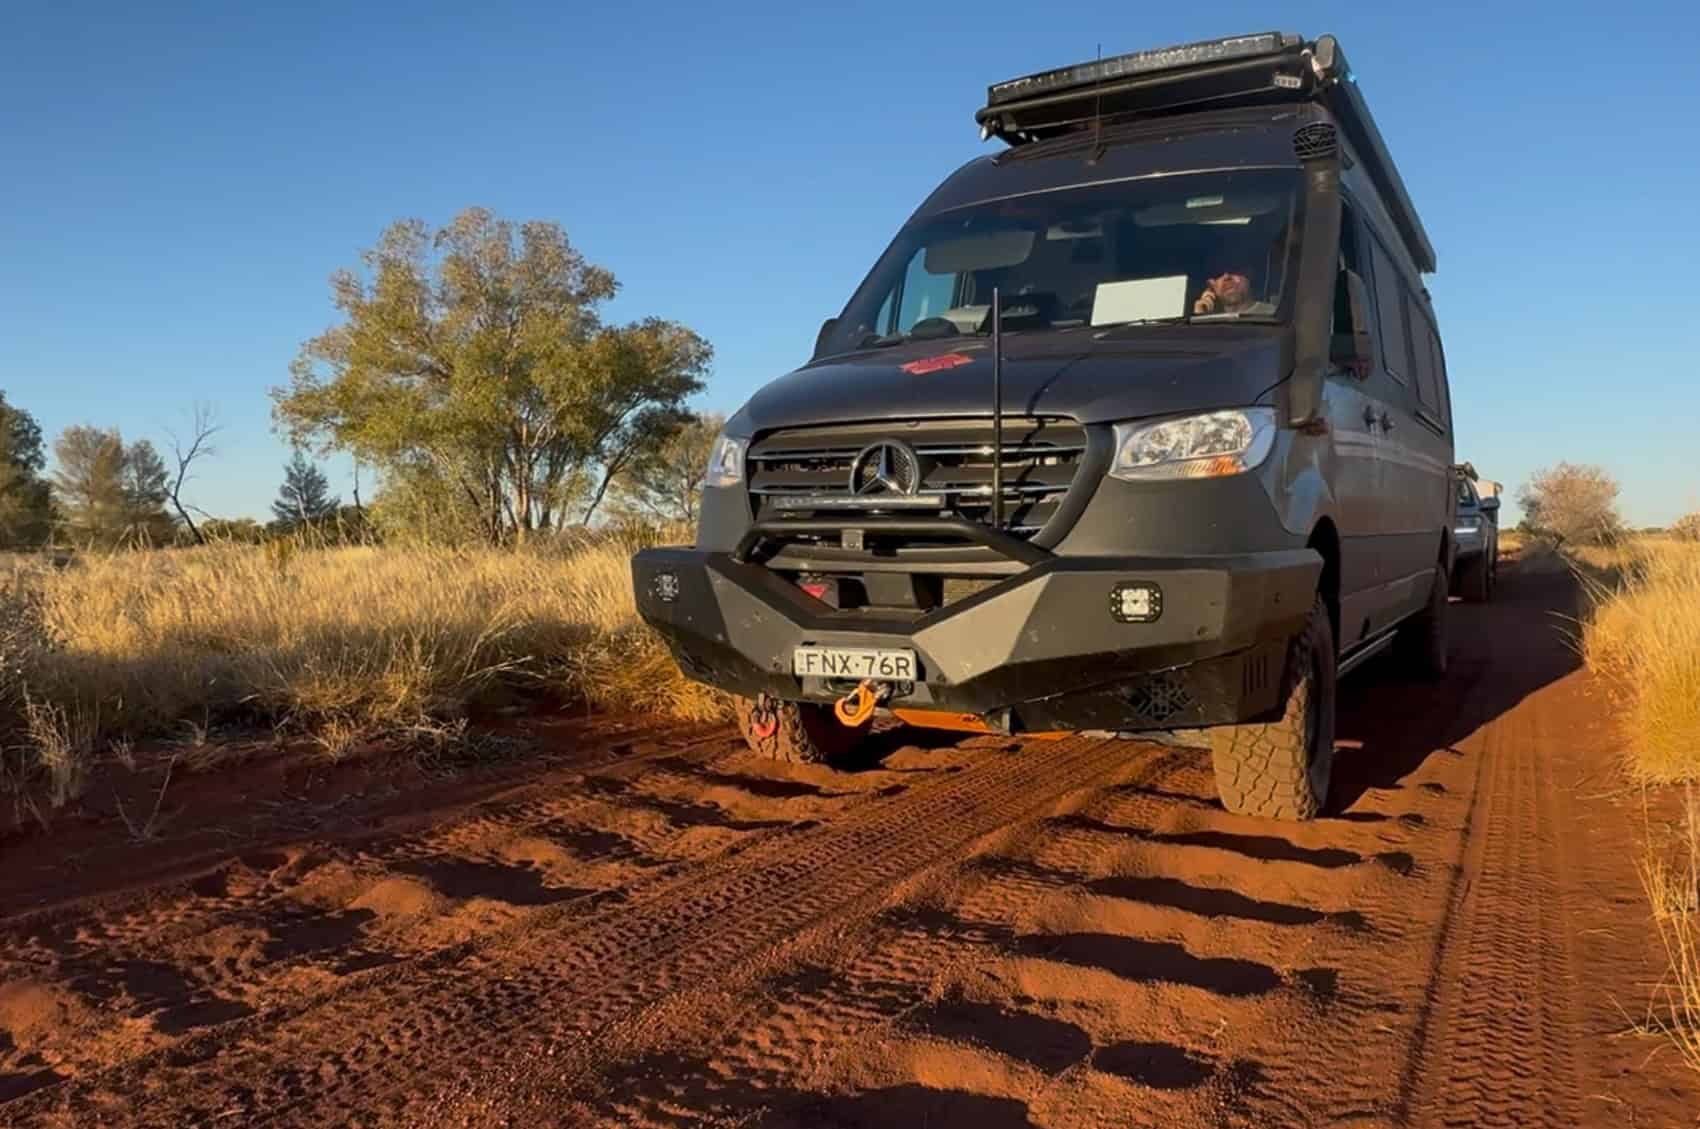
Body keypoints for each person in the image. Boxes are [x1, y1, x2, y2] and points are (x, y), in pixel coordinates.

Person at [1193, 271, 1271, 316]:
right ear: (1212, 287)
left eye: (1235, 270)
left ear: (1249, 277)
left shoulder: (1273, 315)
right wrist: (1200, 317)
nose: (1226, 277)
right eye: (1218, 273)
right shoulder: (1211, 321)